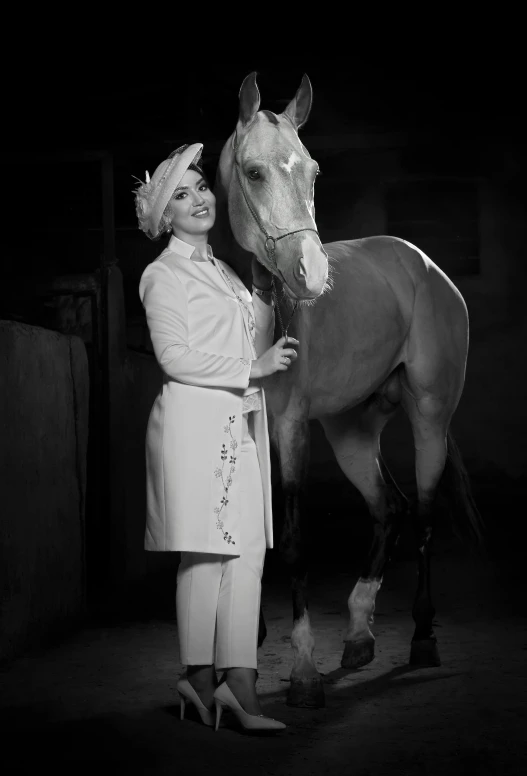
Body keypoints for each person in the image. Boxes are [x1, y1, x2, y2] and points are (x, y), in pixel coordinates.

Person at [134, 143, 298, 733]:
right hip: (195, 424)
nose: (199, 198)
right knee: (205, 556)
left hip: (238, 421)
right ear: (164, 218)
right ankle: (206, 679)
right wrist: (251, 370)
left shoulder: (224, 271)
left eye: (202, 187)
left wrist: (268, 294)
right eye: (181, 194)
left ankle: (232, 681)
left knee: (247, 552)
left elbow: (249, 337)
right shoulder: (162, 274)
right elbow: (173, 357)